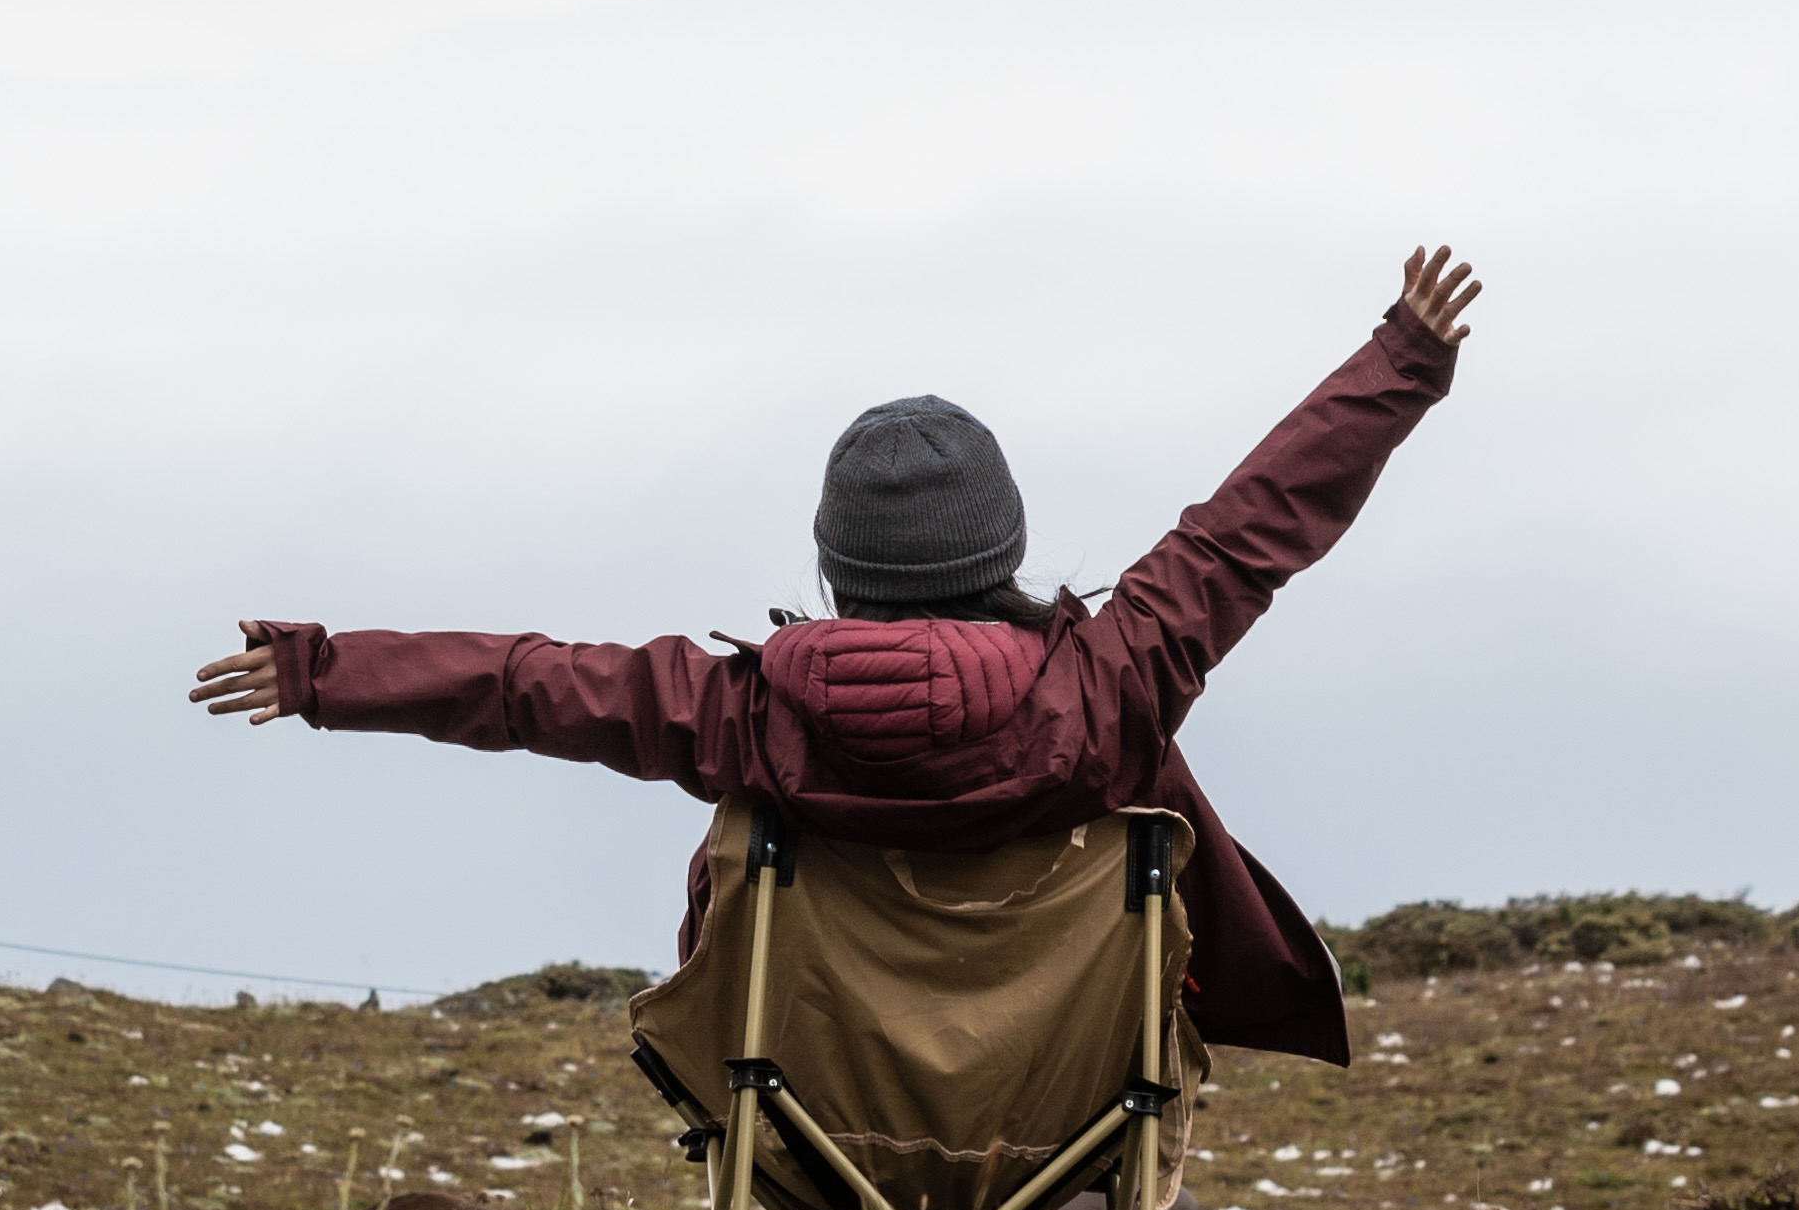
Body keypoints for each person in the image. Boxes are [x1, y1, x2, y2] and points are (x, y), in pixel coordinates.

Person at [187, 242, 1478, 1064]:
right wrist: (1400, 362)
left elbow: (531, 684)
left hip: (821, 1103)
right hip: (1072, 1092)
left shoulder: (742, 714)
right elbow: (1252, 529)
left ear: (839, 568)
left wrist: (323, 671)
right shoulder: (1118, 678)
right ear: (1003, 548)